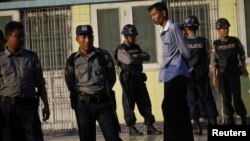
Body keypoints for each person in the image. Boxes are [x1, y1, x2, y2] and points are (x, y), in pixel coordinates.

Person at [64, 25, 121, 141]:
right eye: (83, 37)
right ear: (77, 39)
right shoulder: (72, 60)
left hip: (104, 104)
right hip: (83, 106)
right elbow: (70, 83)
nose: (87, 40)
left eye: (90, 36)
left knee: (113, 137)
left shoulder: (104, 56)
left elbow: (111, 79)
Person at [148, 2, 194, 141]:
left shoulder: (173, 28)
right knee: (180, 108)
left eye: (155, 14)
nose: (153, 18)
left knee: (168, 107)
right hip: (169, 74)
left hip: (177, 73)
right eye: (151, 16)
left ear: (164, 13)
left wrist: (183, 69)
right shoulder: (164, 30)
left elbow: (185, 51)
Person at [0, 21, 50, 141]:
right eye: (18, 36)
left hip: (28, 107)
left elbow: (40, 84)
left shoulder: (31, 57)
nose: (22, 39)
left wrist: (46, 105)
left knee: (34, 137)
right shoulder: (0, 59)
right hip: (7, 108)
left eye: (23, 36)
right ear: (8, 37)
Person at [114, 24, 162, 135]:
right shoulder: (121, 48)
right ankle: (131, 127)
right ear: (126, 36)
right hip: (127, 81)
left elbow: (147, 56)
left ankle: (149, 125)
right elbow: (128, 60)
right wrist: (137, 57)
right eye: (131, 35)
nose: (133, 37)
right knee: (129, 104)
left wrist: (138, 56)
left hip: (139, 80)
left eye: (134, 35)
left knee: (145, 102)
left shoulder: (136, 47)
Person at [182, 15, 219, 134]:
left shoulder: (184, 42)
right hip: (202, 73)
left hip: (188, 74)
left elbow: (181, 59)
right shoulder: (204, 41)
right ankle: (213, 123)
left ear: (186, 28)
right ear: (197, 27)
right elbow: (211, 58)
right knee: (207, 97)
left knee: (192, 99)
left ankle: (197, 126)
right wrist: (211, 72)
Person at [211, 18, 248, 125]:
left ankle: (242, 116)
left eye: (227, 28)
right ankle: (230, 118)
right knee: (226, 98)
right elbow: (213, 62)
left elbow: (242, 55)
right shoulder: (216, 44)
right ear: (218, 30)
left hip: (234, 73)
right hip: (222, 74)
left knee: (237, 96)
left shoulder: (235, 41)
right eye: (223, 28)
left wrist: (244, 68)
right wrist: (214, 77)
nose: (226, 30)